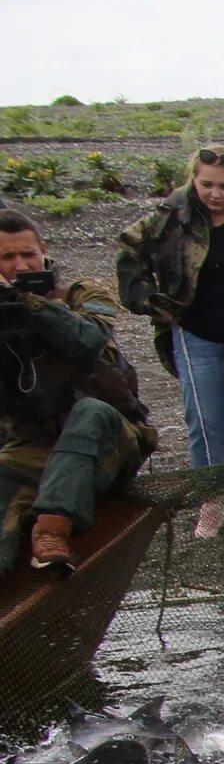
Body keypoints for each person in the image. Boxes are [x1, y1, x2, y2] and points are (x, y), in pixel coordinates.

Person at [114, 145, 224, 540]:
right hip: (195, 333)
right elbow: (128, 248)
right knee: (204, 424)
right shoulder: (172, 216)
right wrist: (148, 301)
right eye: (206, 184)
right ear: (193, 178)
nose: (215, 193)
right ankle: (211, 502)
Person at [0, 210, 154, 574]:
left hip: (111, 439)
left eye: (28, 254)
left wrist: (35, 306)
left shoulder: (85, 294)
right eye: (7, 258)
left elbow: (88, 341)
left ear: (43, 249)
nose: (20, 265)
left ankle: (52, 532)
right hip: (39, 446)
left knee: (90, 410)